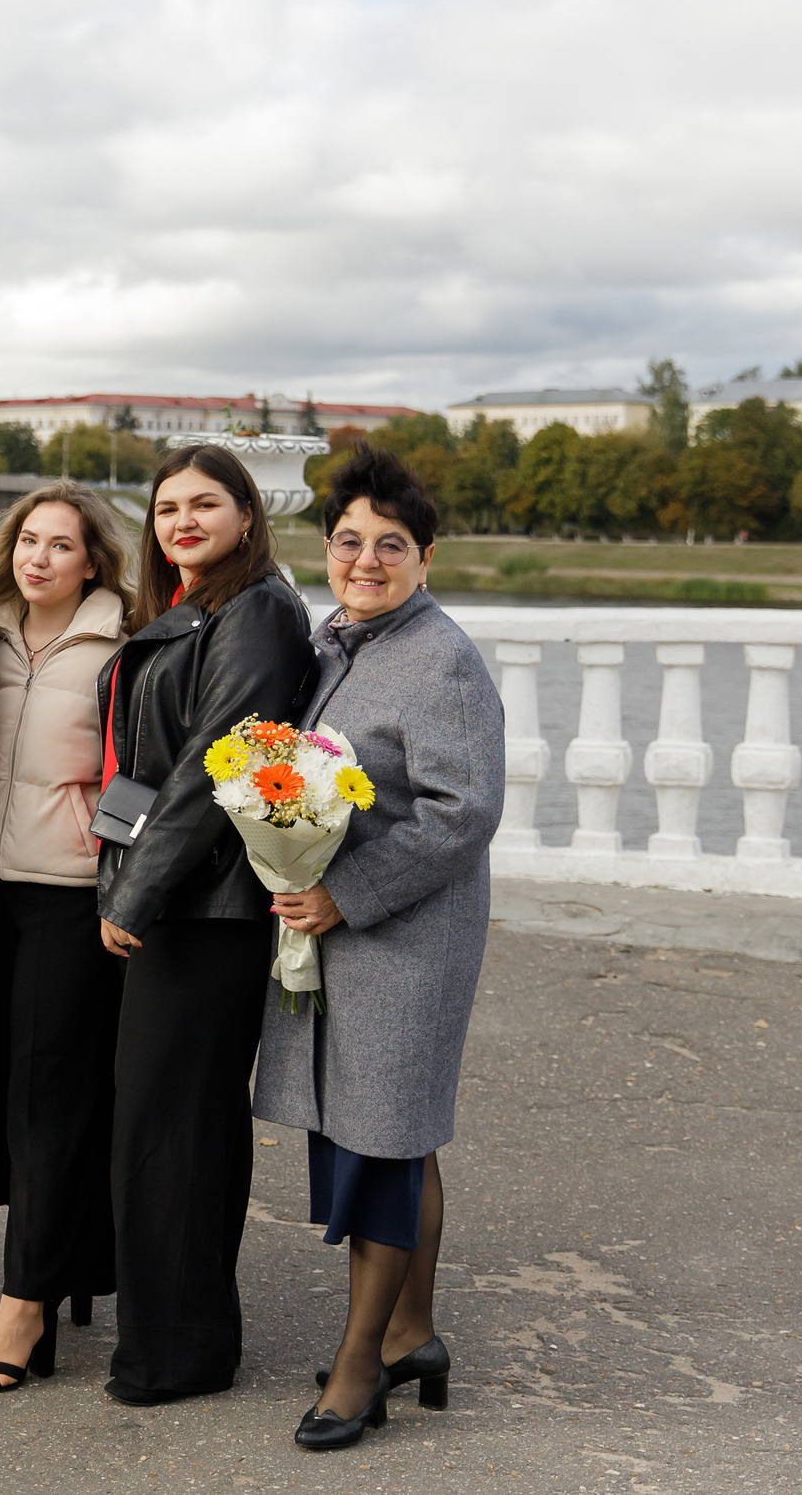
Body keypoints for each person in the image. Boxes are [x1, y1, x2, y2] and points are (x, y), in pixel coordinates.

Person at [254, 448, 502, 1451]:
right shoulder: (339, 643)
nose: (365, 560)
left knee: (383, 1145)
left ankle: (360, 1370)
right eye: (350, 541)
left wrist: (343, 895)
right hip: (342, 929)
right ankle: (411, 1334)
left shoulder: (438, 657)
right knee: (394, 1133)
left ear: (424, 556)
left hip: (404, 939)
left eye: (388, 546)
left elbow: (463, 811)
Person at [95, 440, 314, 1407]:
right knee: (175, 1126)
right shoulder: (198, 608)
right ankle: (183, 1340)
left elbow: (214, 767)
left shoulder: (259, 609)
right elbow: (151, 758)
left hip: (205, 909)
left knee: (170, 1129)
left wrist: (134, 891)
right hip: (179, 897)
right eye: (166, 507)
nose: (181, 520)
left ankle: (174, 1354)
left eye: (204, 504)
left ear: (246, 513)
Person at [0, 481, 132, 1393]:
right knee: (5, 1099)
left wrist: (116, 867)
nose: (40, 557)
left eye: (62, 545)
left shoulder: (123, 643)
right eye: (29, 539)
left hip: (70, 893)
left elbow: (140, 772)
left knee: (48, 1100)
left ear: (92, 559)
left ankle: (23, 1311)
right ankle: (52, 1272)